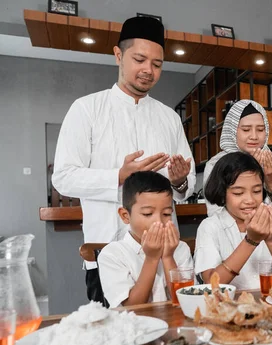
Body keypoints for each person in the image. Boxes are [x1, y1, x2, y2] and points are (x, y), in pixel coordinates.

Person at [52, 16, 195, 302]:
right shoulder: (87, 109)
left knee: (176, 330)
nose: (148, 70)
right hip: (105, 249)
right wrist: (119, 176)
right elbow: (63, 178)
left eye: (157, 64)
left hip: (166, 253)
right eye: (139, 59)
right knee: (116, 340)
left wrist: (180, 181)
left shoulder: (169, 117)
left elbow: (186, 187)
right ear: (118, 55)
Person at [195, 152, 272, 289]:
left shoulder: (266, 219)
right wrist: (251, 241)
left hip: (271, 305)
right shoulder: (210, 226)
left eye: (256, 191)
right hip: (228, 307)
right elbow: (211, 284)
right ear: (221, 192)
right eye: (238, 193)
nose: (250, 200)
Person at [98, 171, 194, 307]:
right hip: (134, 326)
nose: (159, 222)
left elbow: (186, 302)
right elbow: (132, 306)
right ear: (125, 216)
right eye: (148, 214)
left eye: (166, 213)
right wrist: (152, 258)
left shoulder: (180, 248)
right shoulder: (113, 254)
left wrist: (168, 257)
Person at [203, 99, 272, 216]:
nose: (254, 136)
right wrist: (253, 170)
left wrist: (271, 184)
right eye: (246, 129)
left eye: (260, 129)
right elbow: (215, 213)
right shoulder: (215, 165)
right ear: (232, 130)